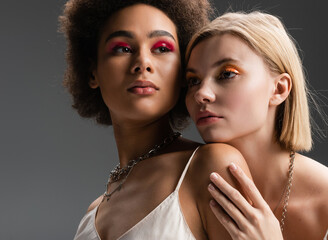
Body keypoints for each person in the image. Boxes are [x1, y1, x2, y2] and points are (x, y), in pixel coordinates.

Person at [60, 1, 254, 239]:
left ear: (183, 70)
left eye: (162, 48)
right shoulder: (93, 212)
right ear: (93, 73)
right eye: (122, 48)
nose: (143, 63)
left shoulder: (212, 168)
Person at [185, 11, 328, 240]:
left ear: (279, 89)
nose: (201, 94)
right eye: (193, 81)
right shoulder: (182, 188)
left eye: (227, 74)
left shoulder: (324, 200)